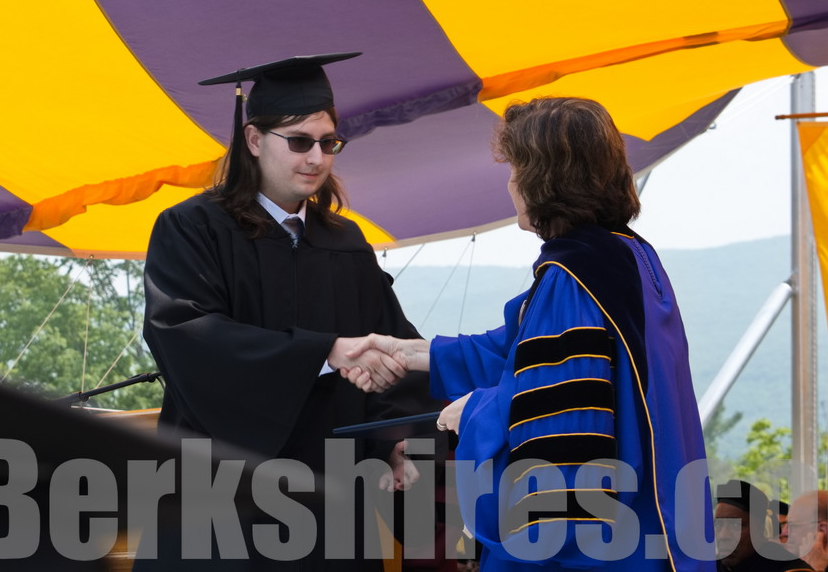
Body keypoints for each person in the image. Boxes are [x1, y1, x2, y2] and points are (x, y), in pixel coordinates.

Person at [346, 97, 715, 571]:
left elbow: (563, 416)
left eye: (515, 168)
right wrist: (408, 353)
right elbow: (521, 350)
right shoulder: (627, 257)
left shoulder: (572, 279)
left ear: (543, 178)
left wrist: (475, 412)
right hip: (659, 521)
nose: (510, 183)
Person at [141, 52, 436, 569]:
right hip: (223, 492)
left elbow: (393, 349)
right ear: (254, 139)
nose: (317, 157)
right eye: (299, 141)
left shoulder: (345, 243)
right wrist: (325, 351)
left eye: (329, 142)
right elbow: (186, 335)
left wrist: (397, 439)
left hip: (329, 497)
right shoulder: (191, 229)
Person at [714, 480, 812, 572]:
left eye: (736, 525)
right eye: (718, 524)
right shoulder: (710, 566)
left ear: (760, 528)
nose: (723, 536)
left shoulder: (790, 568)